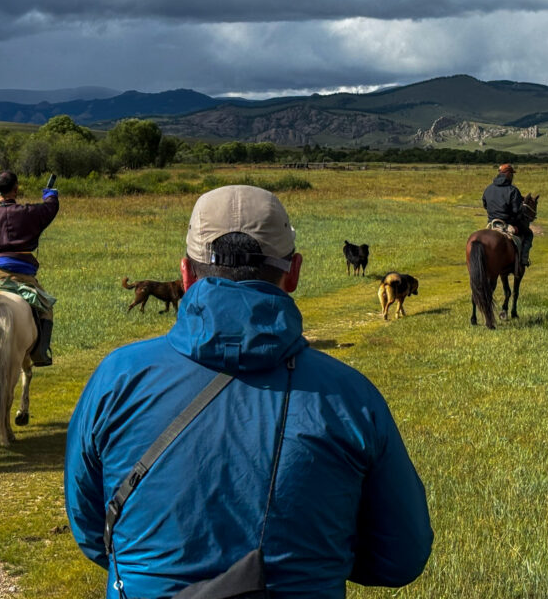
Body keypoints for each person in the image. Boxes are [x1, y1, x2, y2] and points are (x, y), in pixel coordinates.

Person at [64, 185, 433, 599]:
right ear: (292, 273)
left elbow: (94, 531)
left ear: (186, 274)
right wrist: (317, 561)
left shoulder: (116, 377)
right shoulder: (351, 398)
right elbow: (403, 555)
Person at [0, 170, 58, 366]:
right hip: (24, 274)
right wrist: (50, 194)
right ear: (16, 188)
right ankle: (40, 353)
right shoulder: (29, 213)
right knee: (46, 309)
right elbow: (50, 208)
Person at [482, 162, 533, 267]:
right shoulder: (513, 190)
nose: (513, 177)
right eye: (512, 174)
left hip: (492, 223)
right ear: (508, 174)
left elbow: (485, 205)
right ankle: (523, 259)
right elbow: (516, 211)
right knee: (528, 234)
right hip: (507, 223)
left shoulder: (488, 189)